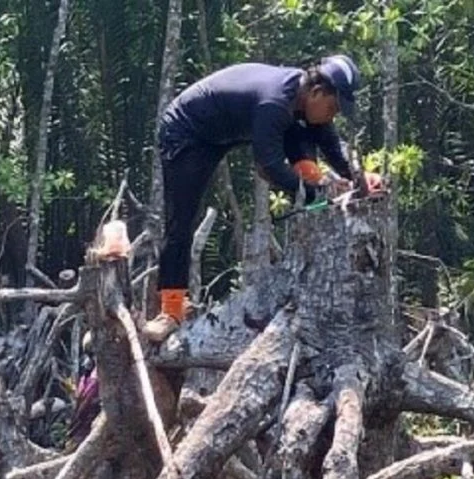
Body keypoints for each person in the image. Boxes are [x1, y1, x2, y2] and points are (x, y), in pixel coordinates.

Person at [142, 54, 382, 342]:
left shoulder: (302, 96)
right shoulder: (275, 103)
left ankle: (315, 189)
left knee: (304, 133)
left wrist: (359, 177)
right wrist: (316, 191)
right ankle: (171, 308)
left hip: (222, 131)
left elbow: (331, 146)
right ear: (318, 92)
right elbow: (268, 164)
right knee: (181, 220)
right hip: (187, 132)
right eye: (333, 108)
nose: (333, 116)